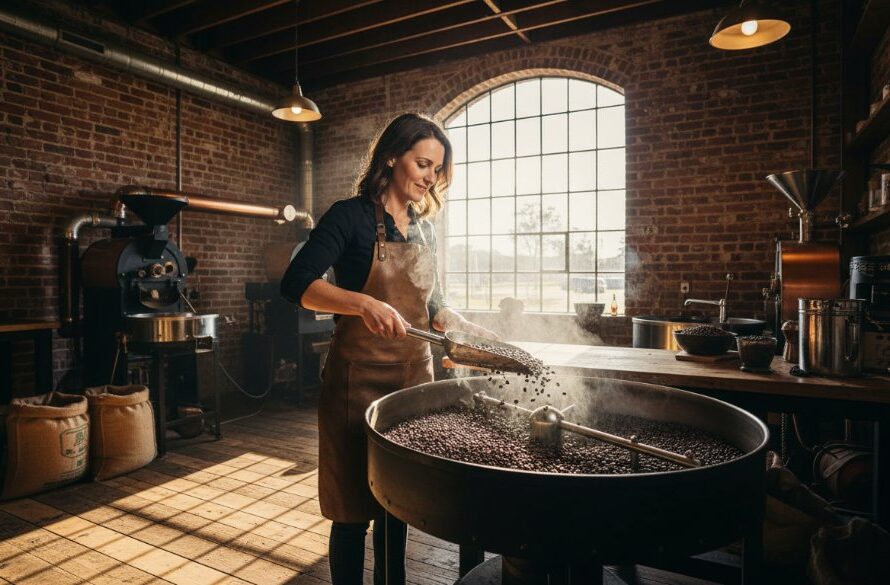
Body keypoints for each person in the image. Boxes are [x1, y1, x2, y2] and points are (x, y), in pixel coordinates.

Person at [280, 113, 496, 585]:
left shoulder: (425, 230)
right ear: (393, 157)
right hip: (355, 383)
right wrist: (362, 304)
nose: (430, 177)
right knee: (351, 510)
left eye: (437, 169)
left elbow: (432, 305)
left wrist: (460, 323)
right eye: (423, 164)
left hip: (412, 383)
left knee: (397, 503)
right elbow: (297, 283)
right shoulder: (349, 217)